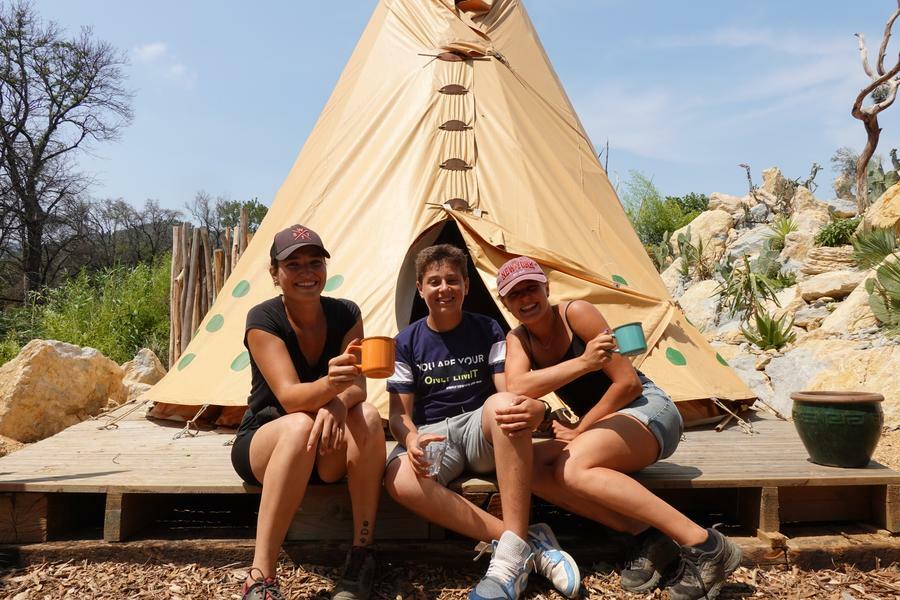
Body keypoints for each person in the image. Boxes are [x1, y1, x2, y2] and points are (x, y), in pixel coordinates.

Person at [496, 255, 742, 600]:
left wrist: (580, 429)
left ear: (546, 288)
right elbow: (518, 386)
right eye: (515, 294)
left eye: (531, 288)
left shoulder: (576, 313)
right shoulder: (518, 339)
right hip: (601, 426)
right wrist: (584, 364)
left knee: (573, 469)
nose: (525, 298)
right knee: (528, 468)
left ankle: (705, 544)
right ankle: (647, 537)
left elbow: (628, 383)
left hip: (647, 410)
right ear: (505, 303)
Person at [383, 244, 580, 600]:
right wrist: (410, 439)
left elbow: (507, 389)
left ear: (466, 286)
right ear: (420, 288)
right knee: (399, 480)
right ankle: (524, 542)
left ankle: (509, 562)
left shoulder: (488, 329)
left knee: (505, 404)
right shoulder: (406, 342)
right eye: (434, 281)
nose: (444, 288)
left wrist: (537, 408)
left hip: (479, 428)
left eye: (452, 280)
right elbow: (399, 414)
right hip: (434, 434)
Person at [230, 225, 386, 600]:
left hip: (325, 447)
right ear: (274, 273)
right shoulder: (263, 319)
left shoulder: (346, 313)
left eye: (315, 262)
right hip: (268, 442)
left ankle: (362, 554)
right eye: (293, 264)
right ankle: (260, 577)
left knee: (367, 415)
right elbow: (289, 398)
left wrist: (337, 402)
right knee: (298, 424)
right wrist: (332, 389)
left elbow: (358, 386)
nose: (306, 273)